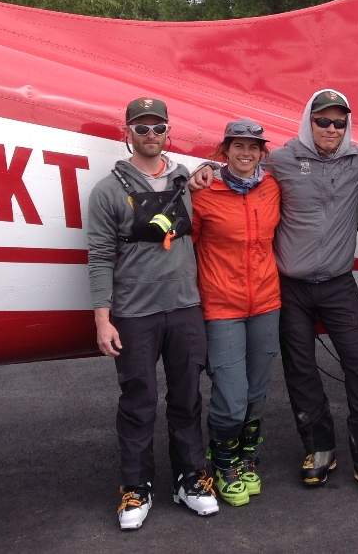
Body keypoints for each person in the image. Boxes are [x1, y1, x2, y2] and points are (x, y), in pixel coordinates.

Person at [191, 88, 358, 496]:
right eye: (323, 121)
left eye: (339, 122)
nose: (331, 129)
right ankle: (318, 448)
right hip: (290, 287)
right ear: (309, 121)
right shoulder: (282, 160)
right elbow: (241, 164)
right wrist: (204, 168)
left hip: (338, 283)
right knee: (300, 371)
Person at [87, 97, 218, 530]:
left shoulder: (185, 180)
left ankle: (190, 480)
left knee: (187, 399)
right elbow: (100, 256)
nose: (150, 135)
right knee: (138, 403)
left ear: (168, 132)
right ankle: (135, 487)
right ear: (127, 132)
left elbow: (228, 164)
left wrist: (208, 168)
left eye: (157, 128)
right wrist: (103, 319)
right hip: (135, 316)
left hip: (184, 309)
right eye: (141, 128)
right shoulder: (108, 190)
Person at [191, 119, 281, 507]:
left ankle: (245, 458)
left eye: (254, 147)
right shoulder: (203, 191)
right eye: (238, 146)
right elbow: (182, 248)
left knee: (258, 390)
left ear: (262, 152)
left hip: (266, 302)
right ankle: (223, 461)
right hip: (221, 305)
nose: (246, 153)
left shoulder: (272, 187)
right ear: (224, 150)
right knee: (231, 394)